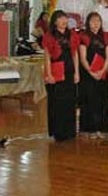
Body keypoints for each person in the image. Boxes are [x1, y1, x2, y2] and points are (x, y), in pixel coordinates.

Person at [43, 10, 80, 141]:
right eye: (60, 18)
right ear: (55, 21)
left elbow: (75, 54)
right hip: (56, 70)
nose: (64, 21)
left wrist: (77, 72)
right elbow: (47, 57)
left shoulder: (73, 35)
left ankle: (70, 131)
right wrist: (48, 74)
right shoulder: (49, 36)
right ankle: (58, 132)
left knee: (70, 102)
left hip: (70, 70)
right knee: (57, 102)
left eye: (65, 18)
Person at [79, 12, 108, 139]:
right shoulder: (84, 36)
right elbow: (83, 58)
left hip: (102, 73)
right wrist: (91, 72)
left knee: (102, 100)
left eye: (98, 21)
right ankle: (90, 129)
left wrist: (103, 71)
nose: (96, 23)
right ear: (88, 23)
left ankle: (101, 129)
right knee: (89, 101)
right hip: (88, 74)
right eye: (93, 21)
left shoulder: (106, 36)